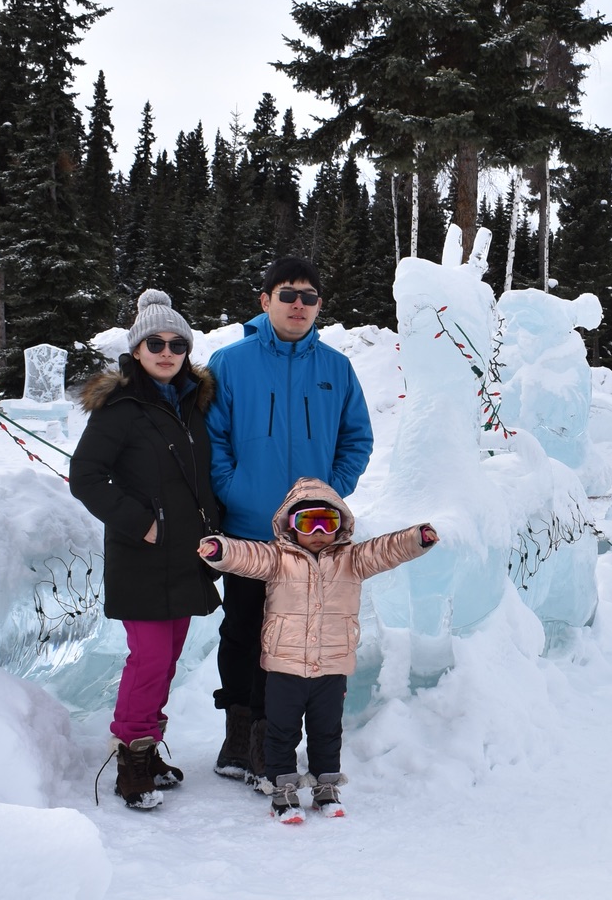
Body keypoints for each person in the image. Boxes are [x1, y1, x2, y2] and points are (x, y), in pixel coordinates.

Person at [205, 256, 375, 782]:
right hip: (249, 531)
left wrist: (328, 492)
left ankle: (266, 742)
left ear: (319, 306)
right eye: (287, 294)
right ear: (265, 301)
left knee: (287, 641)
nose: (297, 304)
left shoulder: (336, 369)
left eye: (308, 296)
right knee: (241, 633)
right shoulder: (230, 363)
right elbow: (211, 439)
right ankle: (238, 736)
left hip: (311, 541)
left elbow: (357, 439)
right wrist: (234, 489)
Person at [199, 477, 436, 821]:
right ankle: (282, 790)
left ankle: (326, 787)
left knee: (327, 731)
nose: (320, 531)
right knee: (281, 731)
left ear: (341, 524)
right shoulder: (278, 559)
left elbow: (385, 550)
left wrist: (416, 539)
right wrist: (221, 551)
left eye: (329, 521)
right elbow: (246, 556)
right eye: (309, 522)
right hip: (285, 668)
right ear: (290, 526)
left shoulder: (351, 560)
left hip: (331, 667)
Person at [68, 289, 222, 810]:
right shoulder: (122, 406)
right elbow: (86, 476)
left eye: (177, 343)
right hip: (143, 555)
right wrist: (141, 522)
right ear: (136, 349)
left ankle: (147, 747)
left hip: (187, 556)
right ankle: (131, 761)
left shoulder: (191, 404)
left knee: (167, 659)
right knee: (150, 658)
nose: (166, 350)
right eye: (154, 342)